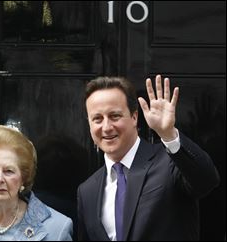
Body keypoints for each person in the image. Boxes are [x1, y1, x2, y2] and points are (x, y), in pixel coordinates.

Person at [77, 75, 220, 241]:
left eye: (115, 116)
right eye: (97, 119)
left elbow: (207, 180)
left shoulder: (170, 161)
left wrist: (169, 135)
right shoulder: (87, 191)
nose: (107, 127)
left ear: (134, 117)